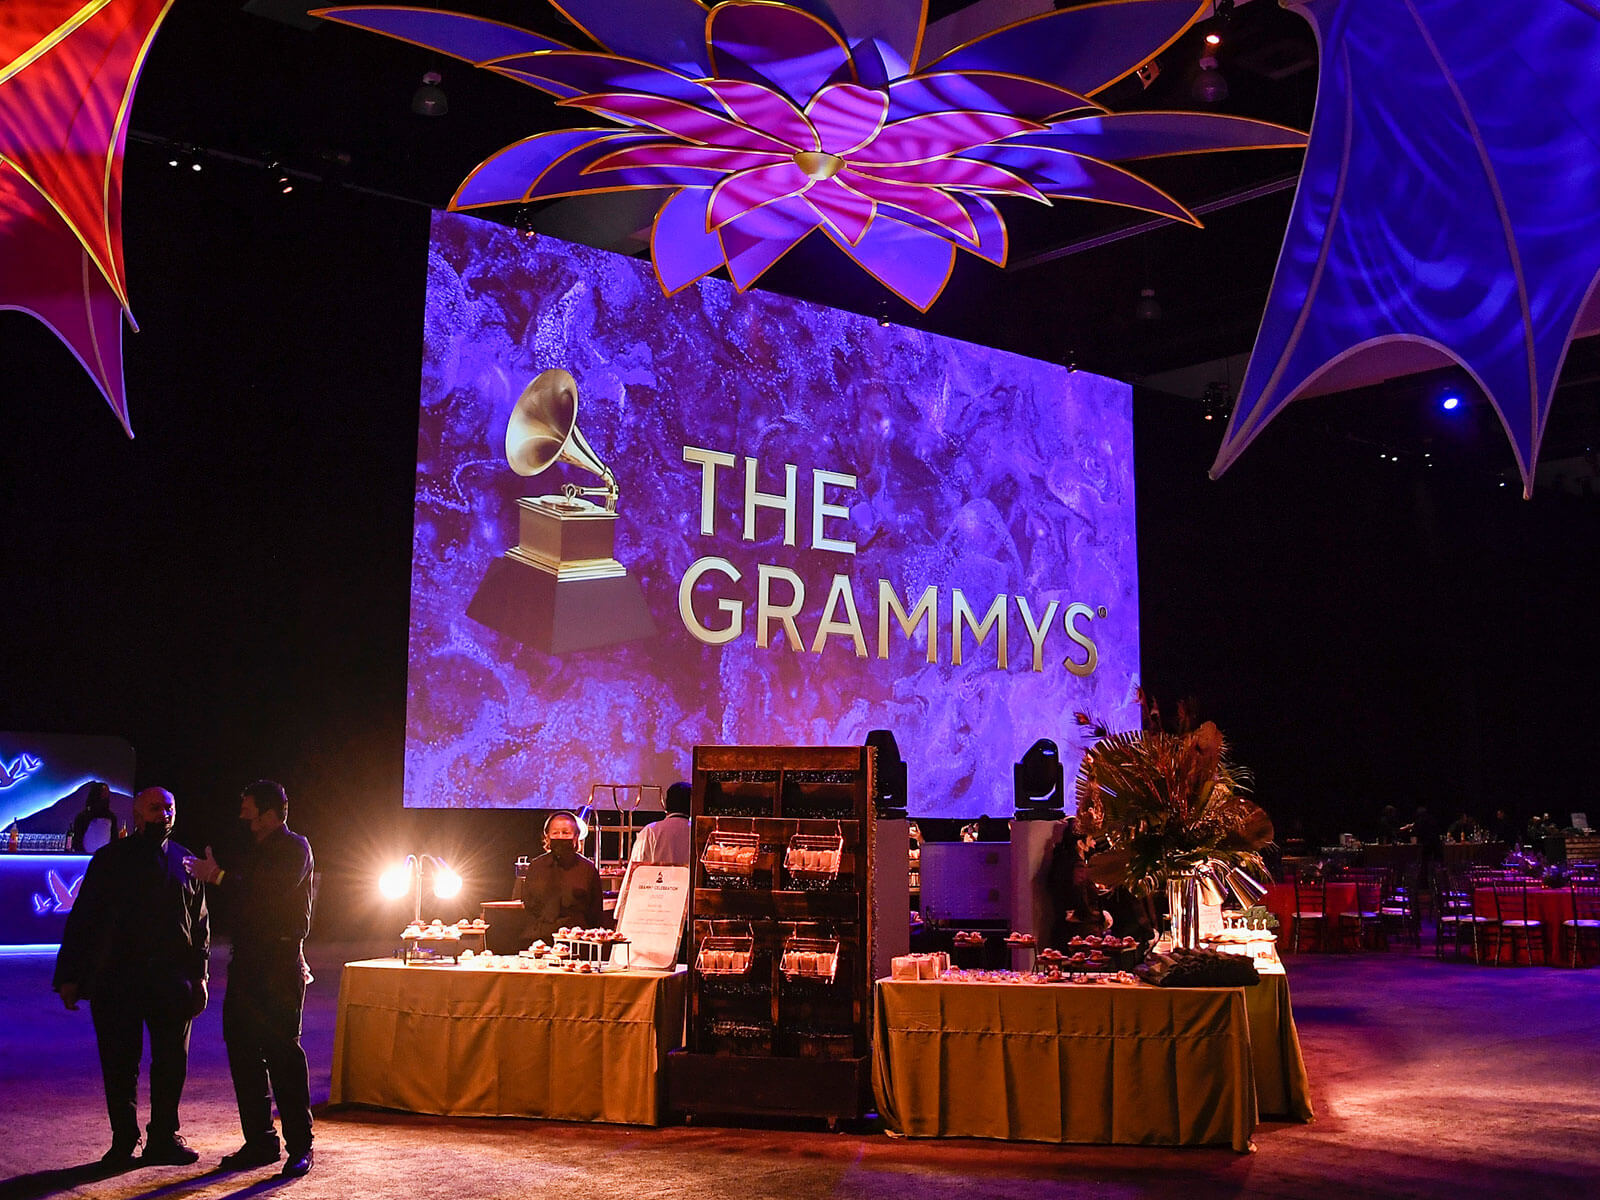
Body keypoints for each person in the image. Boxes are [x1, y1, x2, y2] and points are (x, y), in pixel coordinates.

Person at [53, 787, 209, 1169]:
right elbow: (83, 921)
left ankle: (163, 1138)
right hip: (117, 980)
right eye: (155, 808)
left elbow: (201, 923)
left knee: (171, 1062)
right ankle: (123, 1140)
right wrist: (69, 976)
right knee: (120, 1064)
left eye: (170, 808)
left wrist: (201, 976)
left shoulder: (186, 861)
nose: (164, 815)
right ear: (137, 816)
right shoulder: (109, 860)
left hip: (172, 982)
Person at [184, 780, 315, 1178]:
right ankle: (260, 1141)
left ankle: (300, 1146)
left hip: (277, 962)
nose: (242, 812)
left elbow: (266, 894)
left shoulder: (295, 848)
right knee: (242, 1051)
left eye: (248, 806)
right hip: (247, 962)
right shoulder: (252, 849)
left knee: (282, 1054)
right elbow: (241, 899)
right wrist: (215, 877)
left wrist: (218, 876)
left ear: (270, 812)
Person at [613, 781, 691, 925]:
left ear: (666, 803)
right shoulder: (696, 832)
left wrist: (622, 914)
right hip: (687, 911)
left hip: (655, 912)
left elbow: (635, 873)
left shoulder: (651, 831)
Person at [521, 811, 605, 944]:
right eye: (555, 833)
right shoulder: (536, 867)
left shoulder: (587, 869)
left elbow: (595, 911)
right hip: (540, 938)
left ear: (576, 836)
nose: (560, 837)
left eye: (565, 833)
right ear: (547, 837)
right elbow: (529, 904)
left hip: (577, 940)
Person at [1045, 818, 1108, 948]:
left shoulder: (1060, 864)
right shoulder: (1077, 868)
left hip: (1064, 932)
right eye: (1091, 839)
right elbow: (1079, 891)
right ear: (1080, 844)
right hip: (1083, 934)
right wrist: (1099, 917)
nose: (1094, 844)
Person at [69, 781, 122, 852]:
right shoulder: (83, 816)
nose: (105, 795)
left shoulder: (111, 817)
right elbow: (77, 840)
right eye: (103, 792)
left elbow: (114, 839)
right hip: (84, 856)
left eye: (106, 793)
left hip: (105, 857)